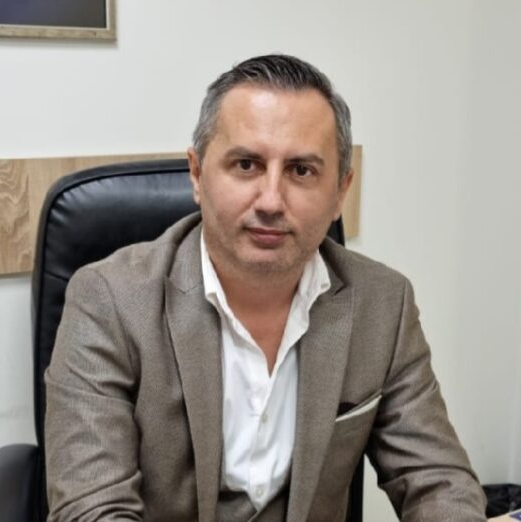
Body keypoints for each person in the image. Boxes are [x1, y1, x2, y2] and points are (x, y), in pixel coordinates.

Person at [44, 54, 487, 521]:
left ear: (340, 191)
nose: (271, 201)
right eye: (246, 164)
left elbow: (439, 481)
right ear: (197, 174)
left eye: (301, 171)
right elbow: (92, 509)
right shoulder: (109, 300)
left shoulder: (383, 304)